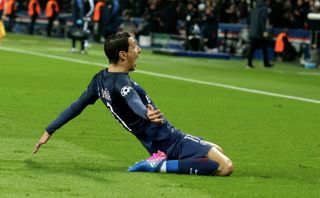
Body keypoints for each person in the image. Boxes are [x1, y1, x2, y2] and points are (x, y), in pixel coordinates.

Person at [33, 32, 233, 176]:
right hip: (171, 141)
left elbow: (76, 106)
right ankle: (159, 164)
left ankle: (161, 159)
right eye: (134, 46)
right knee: (224, 166)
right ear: (123, 54)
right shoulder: (122, 82)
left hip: (155, 142)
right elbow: (133, 100)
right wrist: (146, 114)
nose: (139, 50)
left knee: (218, 149)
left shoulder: (99, 80)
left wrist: (49, 130)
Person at [247, 0, 273, 68]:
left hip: (252, 31)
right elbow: (262, 20)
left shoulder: (254, 9)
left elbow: (249, 20)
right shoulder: (264, 9)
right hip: (259, 32)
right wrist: (264, 31)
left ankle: (249, 63)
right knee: (264, 47)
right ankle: (266, 63)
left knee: (251, 48)